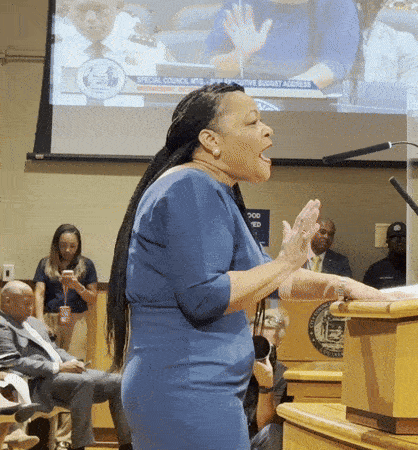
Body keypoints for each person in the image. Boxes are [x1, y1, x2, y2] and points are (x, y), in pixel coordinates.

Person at [106, 82, 391, 450]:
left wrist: (343, 287)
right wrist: (287, 259)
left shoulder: (210, 189)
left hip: (196, 391)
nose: (267, 130)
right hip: (186, 392)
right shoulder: (189, 187)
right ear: (211, 140)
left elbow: (269, 281)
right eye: (253, 122)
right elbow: (205, 297)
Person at [0, 282, 133, 450]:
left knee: (117, 381)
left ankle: (127, 444)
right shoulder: (2, 325)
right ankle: (79, 446)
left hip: (61, 375)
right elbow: (13, 362)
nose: (30, 307)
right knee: (83, 383)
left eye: (31, 303)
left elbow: (55, 349)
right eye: (25, 303)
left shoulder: (34, 322)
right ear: (7, 302)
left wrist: (72, 361)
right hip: (38, 382)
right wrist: (58, 367)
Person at [205, 0, 360, 91]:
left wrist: (282, 89)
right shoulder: (241, 4)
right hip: (239, 101)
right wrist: (241, 54)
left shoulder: (338, 4)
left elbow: (334, 65)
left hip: (307, 105)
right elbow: (216, 70)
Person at [52, 0, 172, 106]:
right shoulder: (56, 51)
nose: (90, 18)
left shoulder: (149, 50)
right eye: (81, 10)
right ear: (69, 11)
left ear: (117, 8)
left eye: (100, 9)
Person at [33, 224, 98, 360]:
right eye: (63, 245)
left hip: (76, 320)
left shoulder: (87, 265)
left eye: (72, 246)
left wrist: (76, 285)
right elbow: (39, 293)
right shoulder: (45, 263)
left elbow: (92, 298)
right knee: (49, 361)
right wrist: (40, 321)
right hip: (50, 319)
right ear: (56, 244)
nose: (67, 250)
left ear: (78, 246)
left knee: (74, 362)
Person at [245, 308, 289, 450]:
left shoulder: (283, 375)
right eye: (254, 343)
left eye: (264, 346)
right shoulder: (232, 367)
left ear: (277, 345)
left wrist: (265, 386)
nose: (256, 351)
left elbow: (266, 427)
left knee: (273, 433)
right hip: (229, 437)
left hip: (256, 442)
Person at [364, 222, 407, 289]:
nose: (399, 242)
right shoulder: (376, 270)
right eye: (394, 238)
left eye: (403, 238)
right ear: (387, 242)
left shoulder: (413, 268)